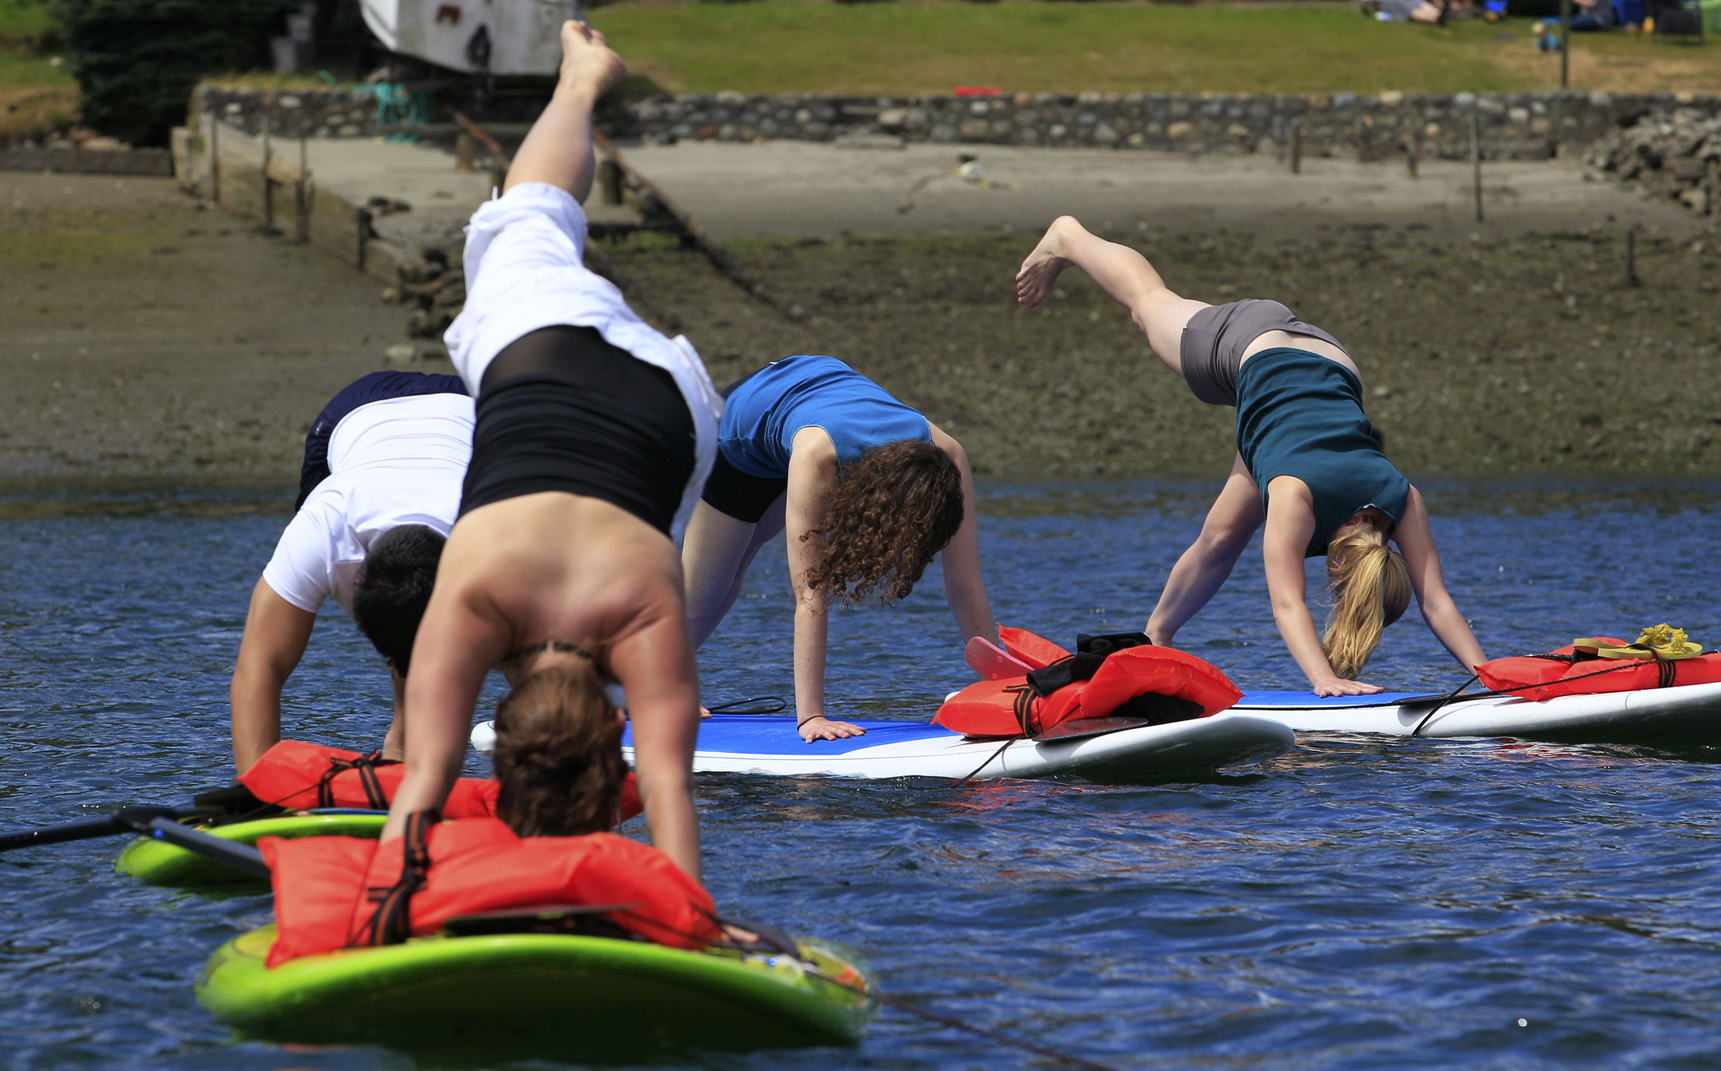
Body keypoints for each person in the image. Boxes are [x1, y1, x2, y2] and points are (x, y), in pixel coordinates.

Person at [380, 21, 718, 882]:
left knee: (530, 219)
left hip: (677, 405)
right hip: (539, 345)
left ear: (610, 730)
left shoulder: (639, 614)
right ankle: (579, 81)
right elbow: (422, 781)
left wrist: (382, 920)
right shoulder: (475, 600)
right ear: (507, 727)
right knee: (527, 214)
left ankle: (580, 80)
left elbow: (668, 788)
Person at [1016, 216, 1485, 696]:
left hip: (1330, 364)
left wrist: (1488, 677)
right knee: (1148, 302)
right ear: (1340, 571)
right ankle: (1071, 238)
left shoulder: (1402, 497)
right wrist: (1323, 679)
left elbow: (1437, 603)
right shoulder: (1296, 498)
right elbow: (1288, 603)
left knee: (1221, 538)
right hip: (1250, 348)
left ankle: (1155, 636)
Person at [680, 355, 998, 742]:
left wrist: (1000, 689)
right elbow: (810, 594)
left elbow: (965, 586)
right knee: (706, 587)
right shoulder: (817, 458)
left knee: (736, 564)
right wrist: (811, 717)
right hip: (736, 434)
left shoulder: (948, 456)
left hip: (806, 410)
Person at [229, 371, 472, 774]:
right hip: (357, 411)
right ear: (356, 580)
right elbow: (259, 668)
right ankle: (405, 742)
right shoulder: (321, 529)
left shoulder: (494, 535)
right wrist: (254, 790)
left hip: (476, 411)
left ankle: (404, 742)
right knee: (412, 632)